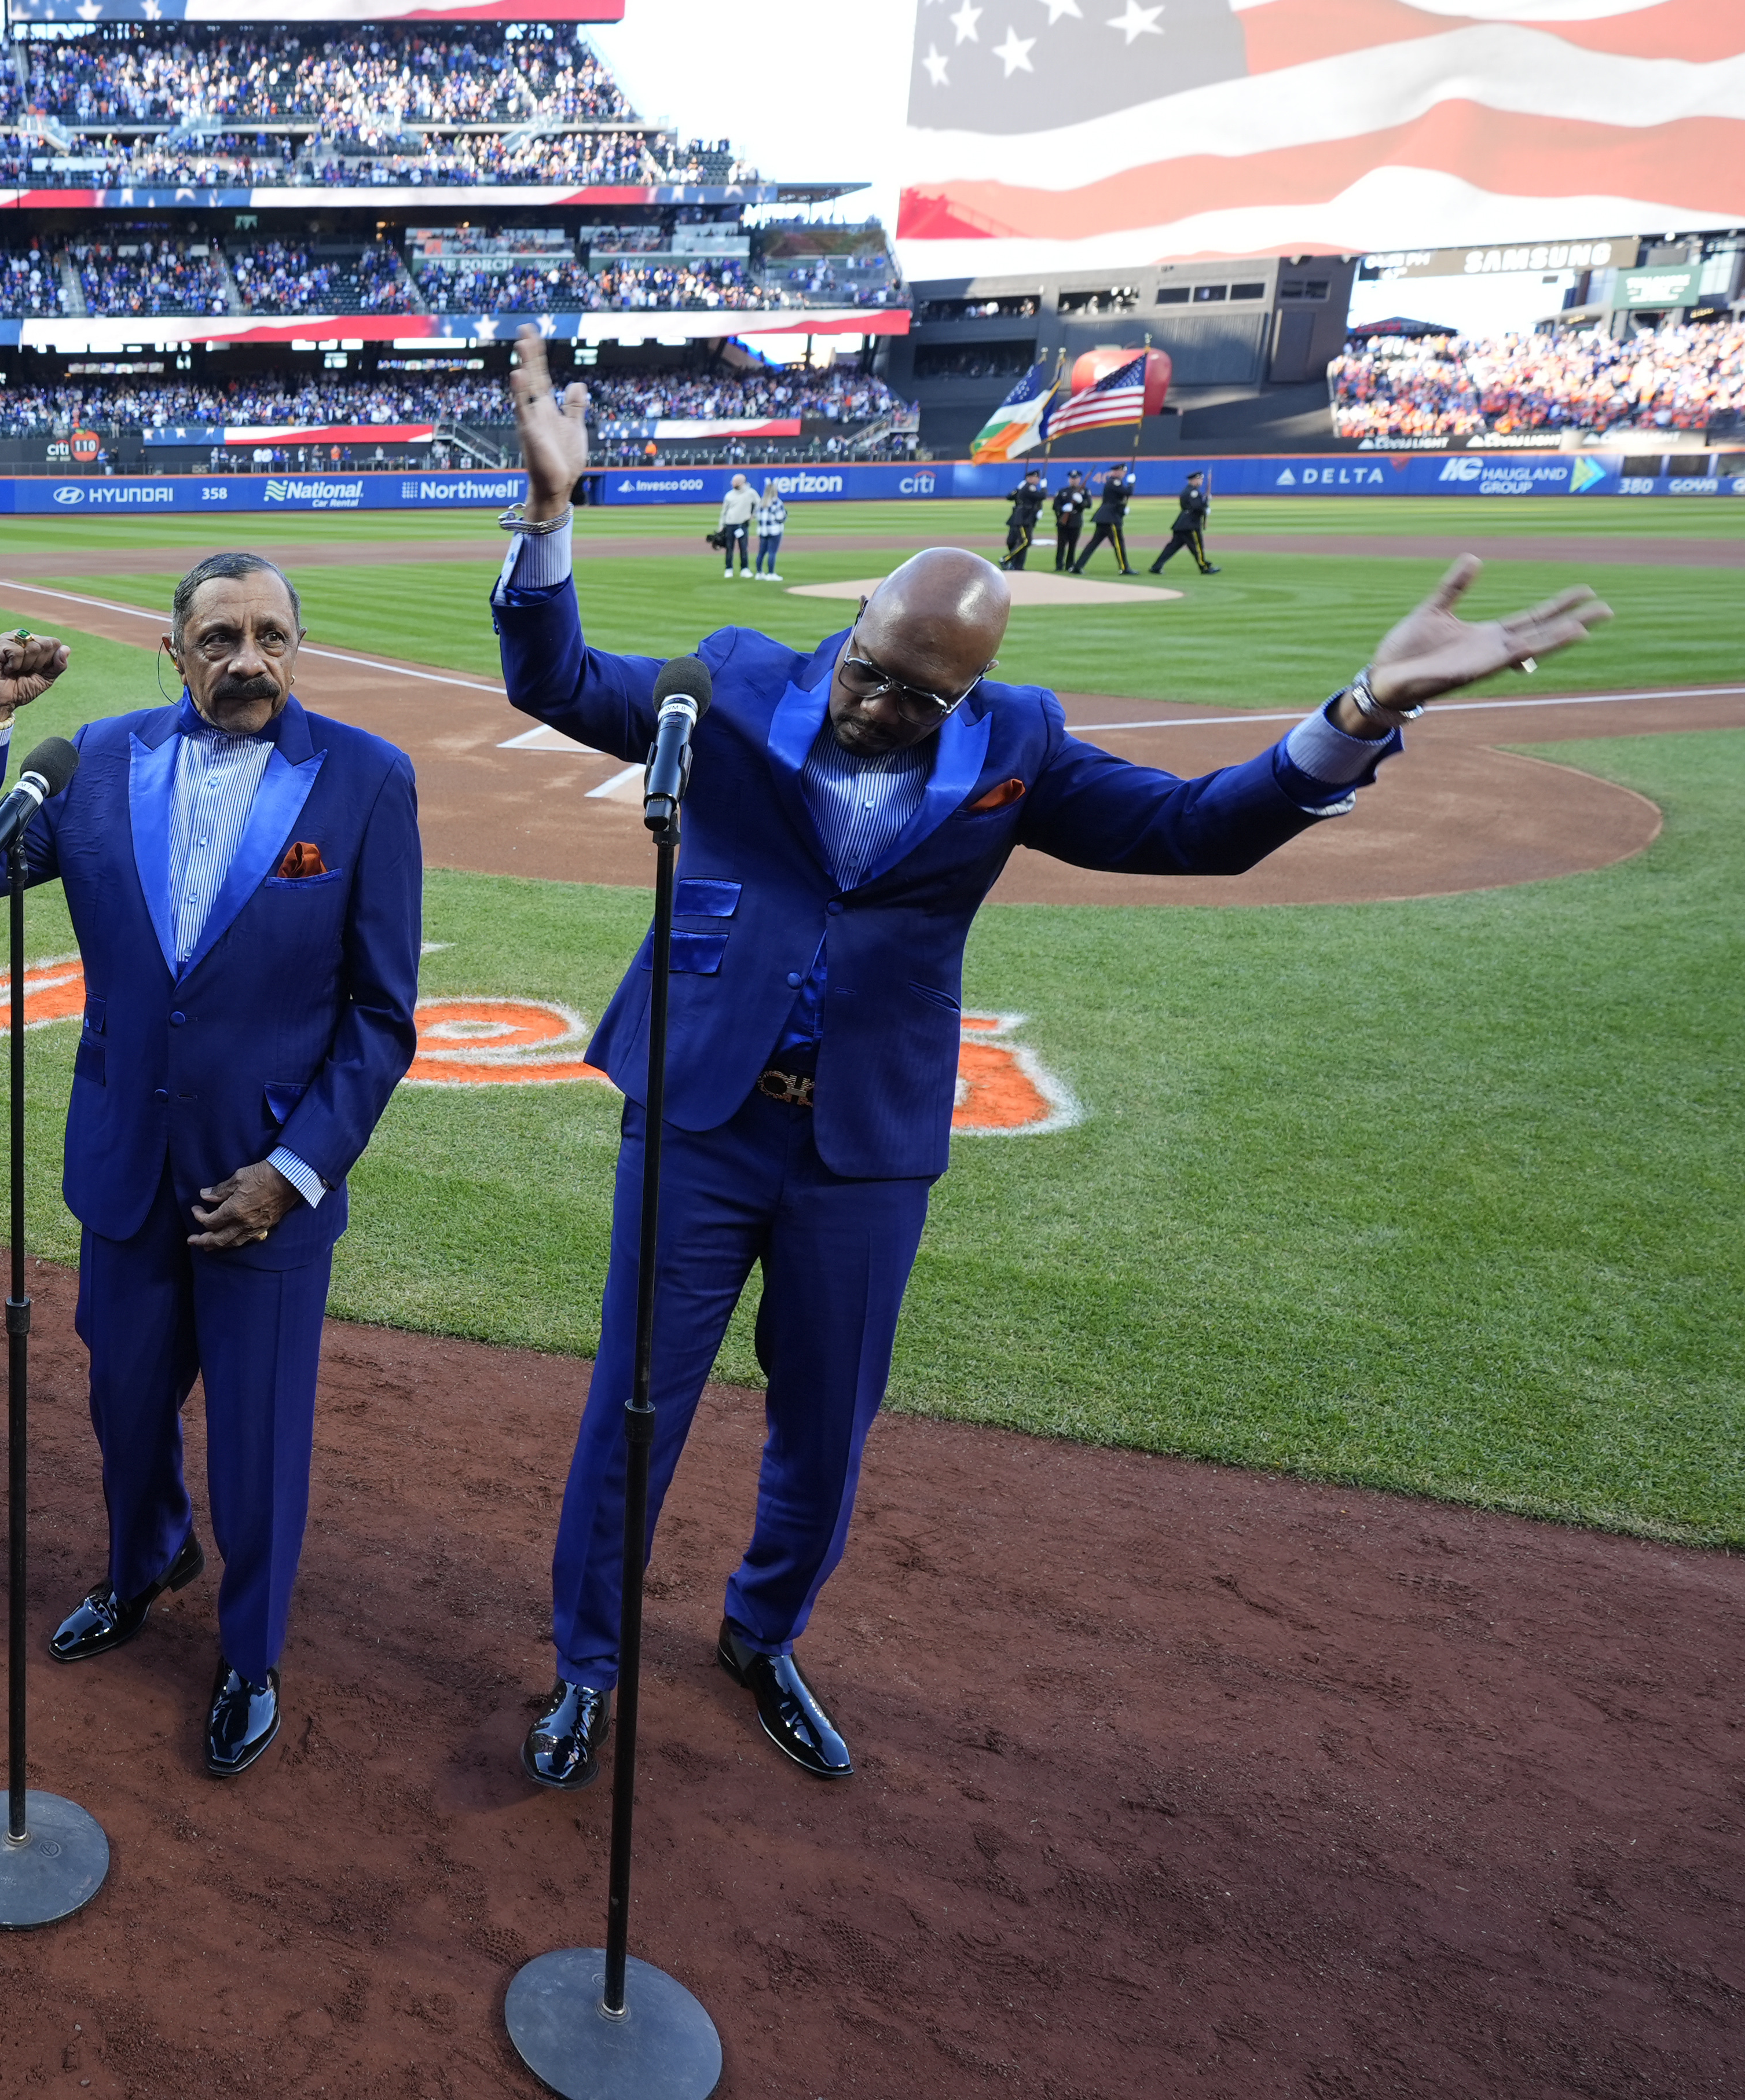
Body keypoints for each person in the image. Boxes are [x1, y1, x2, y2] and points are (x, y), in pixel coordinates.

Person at [487, 324, 1607, 1788]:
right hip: (698, 1117)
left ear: (975, 686)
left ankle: (762, 1635)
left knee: (826, 1427)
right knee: (636, 1406)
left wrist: (1359, 712)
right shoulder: (736, 681)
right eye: (878, 675)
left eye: (926, 697)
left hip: (864, 1146)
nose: (890, 708)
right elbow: (552, 676)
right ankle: (586, 1662)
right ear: (857, 631)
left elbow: (1194, 831)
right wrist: (550, 513)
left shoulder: (1017, 741)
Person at [0, 558, 425, 1780]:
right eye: (217, 637)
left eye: (267, 635)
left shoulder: (364, 779)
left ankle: (249, 1652)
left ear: (297, 645)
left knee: (257, 1439)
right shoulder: (93, 757)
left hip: (264, 1186)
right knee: (123, 1407)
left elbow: (380, 1016)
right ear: (172, 650)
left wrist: (294, 1169)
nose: (244, 659)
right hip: (126, 1167)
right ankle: (145, 1558)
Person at [1151, 471, 1220, 576]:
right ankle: (1204, 567)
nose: (1201, 481)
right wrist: (1205, 508)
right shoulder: (1193, 492)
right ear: (1195, 480)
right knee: (1197, 547)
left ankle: (1156, 566)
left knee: (1172, 548)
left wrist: (1205, 501)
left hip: (1182, 524)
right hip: (1190, 524)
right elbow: (1196, 507)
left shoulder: (1188, 490)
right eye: (1200, 479)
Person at [1078, 466, 1132, 575]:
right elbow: (1128, 492)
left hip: (1106, 517)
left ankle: (1078, 566)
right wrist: (1131, 484)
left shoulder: (1114, 482)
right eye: (1122, 471)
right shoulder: (1114, 482)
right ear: (1117, 472)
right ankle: (1124, 568)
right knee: (1118, 544)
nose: (1124, 474)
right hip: (1110, 518)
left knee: (1094, 543)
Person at [1000, 469, 1045, 571]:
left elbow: (1037, 501)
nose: (1038, 479)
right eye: (1036, 477)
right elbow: (1042, 497)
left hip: (1026, 518)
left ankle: (1018, 566)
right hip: (1023, 519)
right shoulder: (1028, 488)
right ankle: (1006, 559)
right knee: (1024, 541)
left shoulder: (1029, 488)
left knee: (1022, 542)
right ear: (1030, 478)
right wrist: (1044, 488)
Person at [717, 472, 757, 582]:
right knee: (729, 548)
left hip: (742, 524)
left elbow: (758, 504)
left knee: (743, 548)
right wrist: (721, 526)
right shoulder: (729, 495)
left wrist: (753, 515)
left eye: (735, 482)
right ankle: (728, 569)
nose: (732, 483)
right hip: (730, 525)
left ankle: (745, 569)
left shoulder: (751, 493)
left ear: (741, 482)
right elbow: (724, 512)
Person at [1050, 469, 1089, 574]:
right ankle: (1059, 565)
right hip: (1063, 522)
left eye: (1076, 479)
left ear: (1079, 479)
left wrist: (1081, 502)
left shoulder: (1084, 491)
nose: (1074, 481)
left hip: (1076, 521)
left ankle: (1070, 565)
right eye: (1072, 479)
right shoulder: (1062, 491)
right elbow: (1055, 506)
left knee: (1073, 545)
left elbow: (1089, 504)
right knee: (1061, 545)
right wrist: (1063, 509)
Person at [753, 482, 788, 581]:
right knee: (772, 552)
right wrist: (785, 515)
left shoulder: (761, 502)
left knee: (761, 553)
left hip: (762, 531)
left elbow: (756, 515)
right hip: (774, 531)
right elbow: (780, 517)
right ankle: (771, 574)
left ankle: (759, 573)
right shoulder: (777, 502)